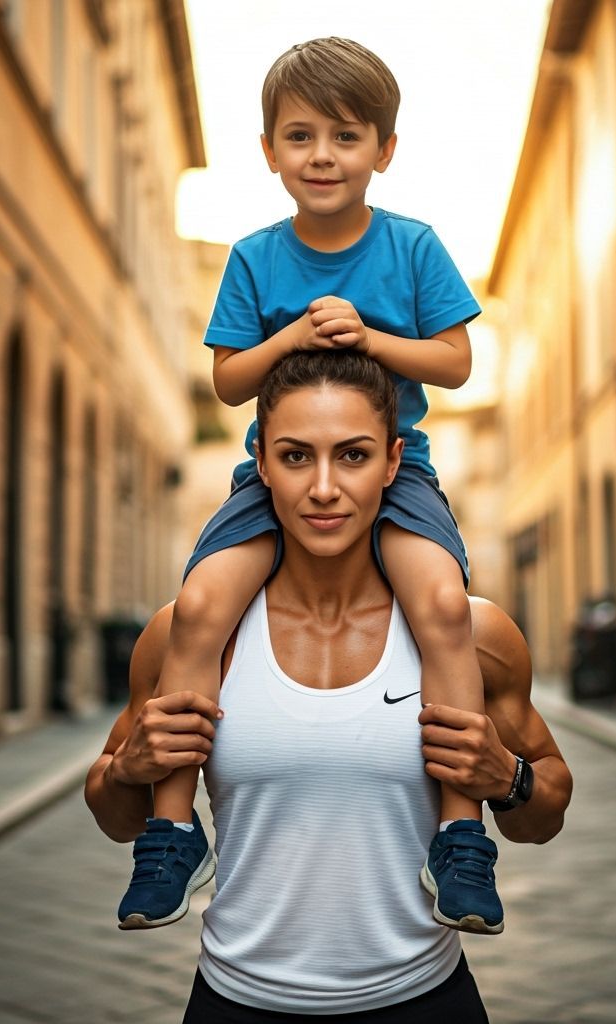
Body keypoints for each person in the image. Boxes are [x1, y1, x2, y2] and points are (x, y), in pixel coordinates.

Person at [117, 35, 506, 935]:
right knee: (201, 605)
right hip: (277, 469)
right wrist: (291, 339)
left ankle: (461, 837)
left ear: (384, 150)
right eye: (300, 137)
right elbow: (227, 379)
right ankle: (172, 832)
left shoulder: (412, 247)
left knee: (445, 606)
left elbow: (453, 363)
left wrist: (367, 334)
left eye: (345, 136)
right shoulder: (255, 257)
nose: (322, 156)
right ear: (269, 153)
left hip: (393, 468)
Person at [86, 351, 573, 1021]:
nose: (322, 489)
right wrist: (128, 772)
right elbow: (114, 815)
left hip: (423, 1004)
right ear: (260, 464)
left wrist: (507, 777)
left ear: (395, 463)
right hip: (236, 1004)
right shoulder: (192, 634)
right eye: (294, 457)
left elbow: (547, 809)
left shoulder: (470, 634)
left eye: (352, 456)